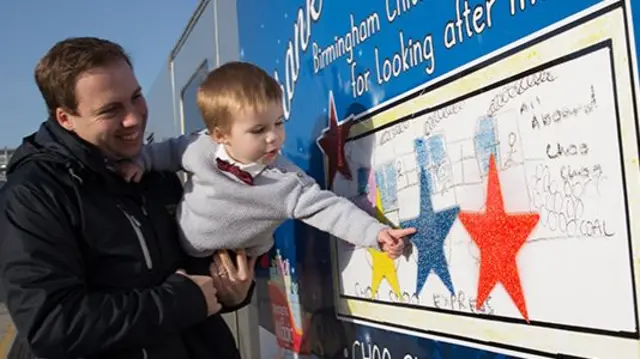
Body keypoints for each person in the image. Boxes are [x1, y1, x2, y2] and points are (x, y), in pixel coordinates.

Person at [0, 37, 254, 359]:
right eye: (110, 110)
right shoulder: (33, 196)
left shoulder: (154, 173)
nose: (133, 118)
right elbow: (51, 325)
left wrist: (231, 288)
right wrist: (181, 301)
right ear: (65, 118)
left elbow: (196, 265)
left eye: (136, 97)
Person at [118, 62, 416, 261]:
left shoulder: (284, 182)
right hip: (182, 249)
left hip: (238, 258)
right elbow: (167, 152)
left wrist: (375, 233)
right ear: (221, 135)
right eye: (259, 130)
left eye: (278, 123)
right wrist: (141, 162)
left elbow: (330, 209)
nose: (274, 137)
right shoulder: (198, 147)